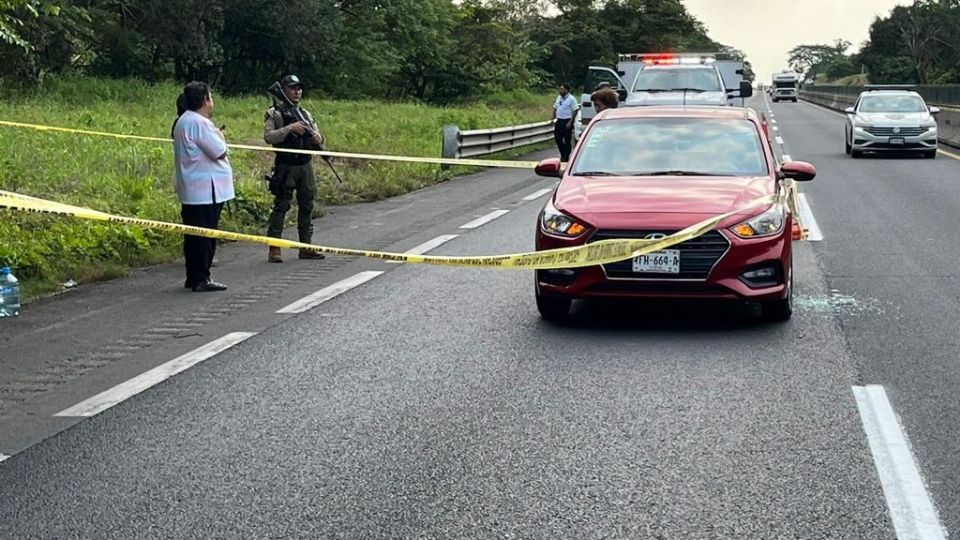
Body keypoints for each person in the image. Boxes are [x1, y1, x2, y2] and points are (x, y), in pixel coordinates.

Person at [172, 81, 234, 292]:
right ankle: (201, 278)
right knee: (205, 236)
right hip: (207, 190)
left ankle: (194, 276)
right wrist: (221, 137)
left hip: (192, 188)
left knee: (193, 236)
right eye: (211, 96)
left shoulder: (183, 120)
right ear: (206, 99)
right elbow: (219, 151)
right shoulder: (201, 123)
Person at [263, 74, 326, 263]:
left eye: (299, 88)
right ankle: (275, 248)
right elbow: (269, 137)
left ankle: (305, 246)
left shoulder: (305, 113)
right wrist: (289, 129)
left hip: (305, 165)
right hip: (286, 165)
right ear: (283, 90)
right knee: (281, 205)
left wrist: (318, 139)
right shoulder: (275, 113)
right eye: (292, 88)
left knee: (307, 205)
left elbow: (319, 137)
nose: (297, 91)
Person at [551, 83, 578, 162]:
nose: (560, 91)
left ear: (566, 90)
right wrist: (552, 118)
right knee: (558, 138)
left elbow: (575, 110)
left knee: (567, 140)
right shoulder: (559, 98)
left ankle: (566, 156)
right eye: (560, 89)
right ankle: (563, 153)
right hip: (559, 120)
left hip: (567, 120)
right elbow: (555, 108)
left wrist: (570, 122)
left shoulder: (571, 99)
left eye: (562, 89)